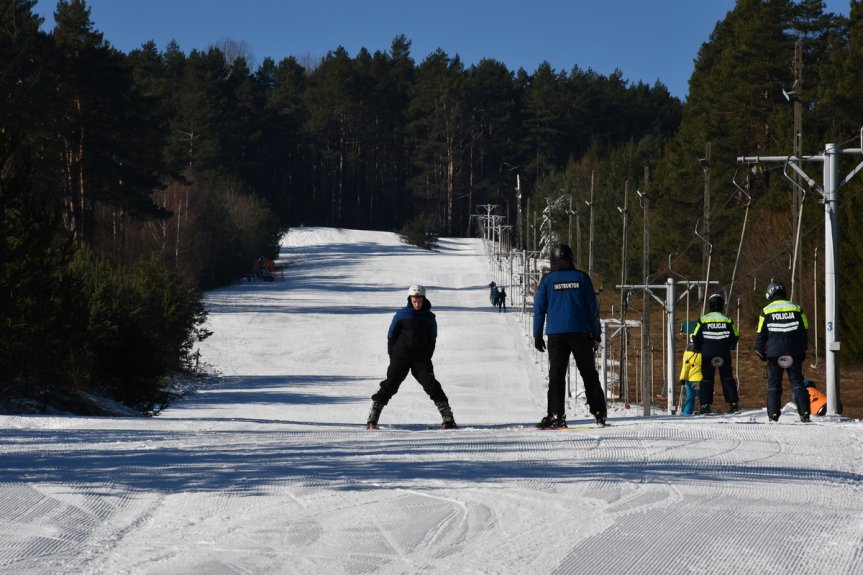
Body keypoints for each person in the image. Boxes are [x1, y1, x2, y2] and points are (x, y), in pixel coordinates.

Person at [533, 244, 606, 428]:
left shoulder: (548, 281)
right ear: (571, 258)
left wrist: (537, 335)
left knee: (556, 375)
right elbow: (592, 310)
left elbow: (539, 309)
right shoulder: (582, 278)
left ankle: (556, 414)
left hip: (556, 335)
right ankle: (599, 412)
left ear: (554, 260)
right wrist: (596, 333)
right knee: (588, 373)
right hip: (580, 333)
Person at [367, 285, 457, 429]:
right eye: (414, 301)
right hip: (400, 357)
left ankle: (448, 418)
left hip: (421, 359)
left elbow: (432, 338)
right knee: (390, 384)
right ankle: (373, 417)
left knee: (431, 385)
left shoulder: (429, 317)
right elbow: (391, 335)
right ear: (410, 299)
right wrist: (393, 354)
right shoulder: (402, 315)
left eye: (419, 301)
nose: (417, 304)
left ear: (423, 299)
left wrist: (427, 355)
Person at [753, 280, 810, 422]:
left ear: (770, 294)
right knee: (797, 383)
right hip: (794, 352)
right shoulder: (797, 308)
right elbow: (804, 330)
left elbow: (761, 334)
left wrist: (760, 351)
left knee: (773, 384)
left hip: (774, 354)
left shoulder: (765, 311)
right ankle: (805, 414)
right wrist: (803, 349)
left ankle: (773, 415)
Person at [691, 293, 740, 414]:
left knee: (707, 379)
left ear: (710, 304)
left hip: (707, 353)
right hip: (724, 353)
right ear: (722, 305)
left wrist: (698, 347)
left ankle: (705, 406)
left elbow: (695, 336)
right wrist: (731, 346)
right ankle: (733, 404)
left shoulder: (703, 319)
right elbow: (736, 335)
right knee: (727, 378)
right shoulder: (727, 319)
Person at [678, 341, 703, 416]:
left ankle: (687, 412)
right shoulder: (702, 353)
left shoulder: (687, 354)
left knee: (690, 397)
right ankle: (705, 410)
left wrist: (682, 378)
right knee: (703, 397)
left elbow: (685, 368)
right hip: (701, 379)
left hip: (690, 379)